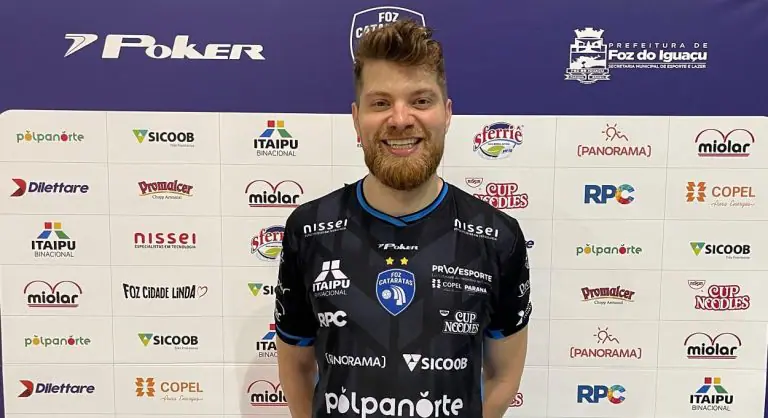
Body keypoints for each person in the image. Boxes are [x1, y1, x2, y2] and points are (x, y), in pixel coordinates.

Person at [274, 18, 531, 418]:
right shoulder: (308, 230)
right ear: (356, 118)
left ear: (447, 113)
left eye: (421, 101)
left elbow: (503, 376)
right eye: (380, 103)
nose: (400, 119)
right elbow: (296, 366)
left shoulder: (497, 236)